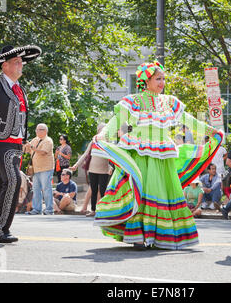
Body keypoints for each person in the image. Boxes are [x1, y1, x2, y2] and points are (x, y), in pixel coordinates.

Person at [91, 61, 222, 250]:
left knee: (160, 193)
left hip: (161, 155)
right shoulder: (133, 101)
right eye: (158, 78)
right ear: (147, 80)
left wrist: (211, 130)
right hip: (138, 153)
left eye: (163, 79)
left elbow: (189, 120)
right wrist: (104, 134)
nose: (162, 83)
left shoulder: (169, 102)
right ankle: (137, 236)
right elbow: (117, 121)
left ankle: (158, 235)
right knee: (140, 192)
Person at [0, 44, 41, 243]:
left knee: (2, 183)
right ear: (5, 66)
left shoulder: (19, 89)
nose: (21, 65)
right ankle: (1, 229)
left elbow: (20, 117)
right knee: (13, 180)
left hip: (16, 143)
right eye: (17, 62)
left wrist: (23, 138)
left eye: (21, 62)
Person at [70, 123, 111, 217]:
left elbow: (111, 157)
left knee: (103, 190)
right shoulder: (93, 142)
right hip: (92, 169)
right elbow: (85, 154)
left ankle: (103, 210)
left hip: (104, 170)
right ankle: (93, 210)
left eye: (104, 129)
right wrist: (76, 165)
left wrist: (110, 167)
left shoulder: (108, 143)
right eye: (101, 129)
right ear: (98, 131)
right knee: (94, 189)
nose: (103, 131)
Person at [24, 123, 55, 215]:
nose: (37, 131)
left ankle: (49, 210)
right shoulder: (35, 140)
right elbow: (27, 151)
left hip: (46, 168)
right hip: (36, 169)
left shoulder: (48, 140)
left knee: (46, 189)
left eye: (39, 130)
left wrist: (32, 147)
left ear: (45, 131)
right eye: (36, 130)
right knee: (36, 189)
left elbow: (43, 152)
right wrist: (25, 146)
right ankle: (37, 209)